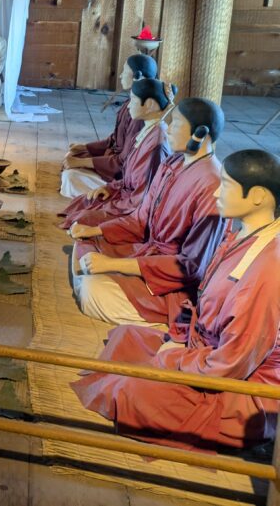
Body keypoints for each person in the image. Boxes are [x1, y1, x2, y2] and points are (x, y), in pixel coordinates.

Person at [73, 149, 280, 453]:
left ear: (258, 196)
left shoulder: (267, 269)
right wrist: (177, 341)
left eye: (225, 185)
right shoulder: (246, 234)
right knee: (125, 337)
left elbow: (232, 365)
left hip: (238, 389)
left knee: (132, 391)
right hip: (202, 350)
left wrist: (174, 358)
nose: (217, 191)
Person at [69, 97, 226, 328]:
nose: (168, 129)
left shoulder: (212, 185)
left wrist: (113, 265)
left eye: (176, 124)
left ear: (199, 134)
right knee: (84, 242)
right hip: (147, 252)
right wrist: (96, 230)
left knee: (93, 289)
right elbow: (140, 218)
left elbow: (191, 267)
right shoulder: (172, 163)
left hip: (169, 282)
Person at [58, 76, 171, 228]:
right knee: (84, 203)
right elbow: (130, 172)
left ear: (149, 104)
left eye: (133, 100)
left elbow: (143, 194)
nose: (129, 105)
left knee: (84, 218)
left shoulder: (156, 143)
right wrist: (110, 188)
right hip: (122, 189)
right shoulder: (148, 130)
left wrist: (116, 199)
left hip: (132, 205)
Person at [61, 54, 158, 197]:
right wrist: (86, 147)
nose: (120, 76)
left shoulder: (139, 117)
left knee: (71, 177)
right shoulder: (130, 104)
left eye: (124, 72)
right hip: (111, 162)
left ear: (137, 76)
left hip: (120, 176)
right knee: (72, 156)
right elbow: (114, 139)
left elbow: (122, 163)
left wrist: (81, 162)